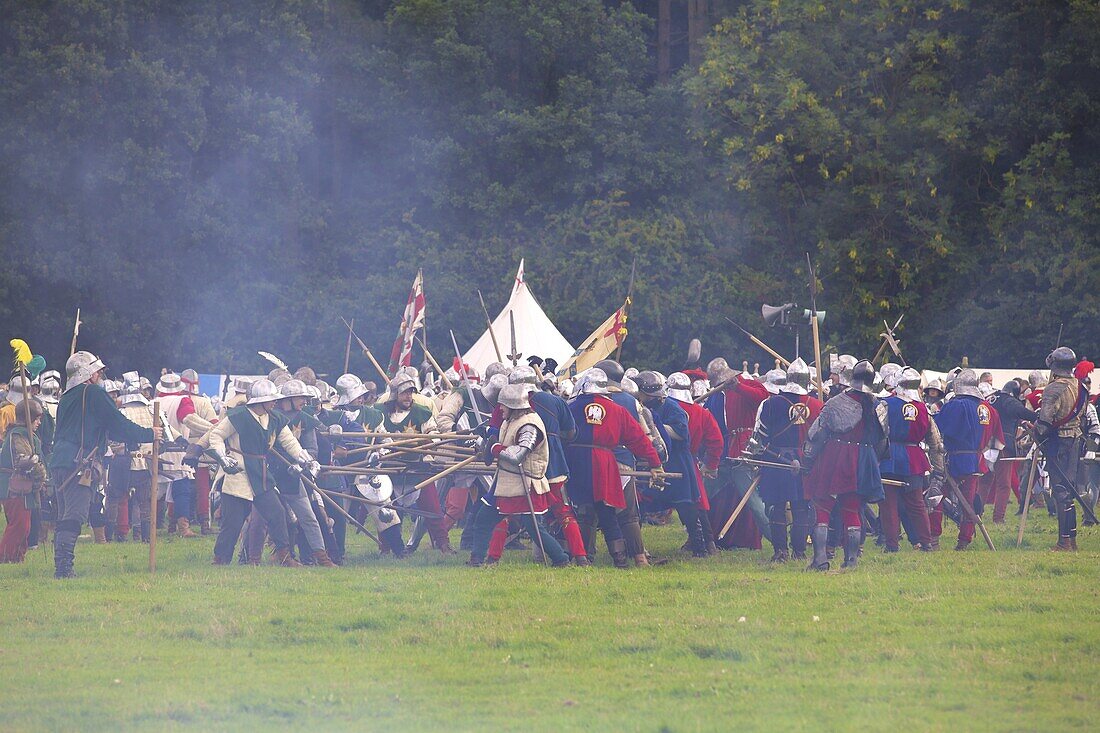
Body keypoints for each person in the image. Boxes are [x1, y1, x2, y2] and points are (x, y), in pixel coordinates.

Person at [48, 351, 160, 578]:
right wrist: (150, 433)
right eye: (96, 371)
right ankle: (63, 569)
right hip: (78, 462)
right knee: (74, 515)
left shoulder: (67, 396)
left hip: (60, 460)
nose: (100, 375)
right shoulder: (93, 393)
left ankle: (61, 565)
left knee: (63, 516)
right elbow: (117, 424)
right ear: (87, 374)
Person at [564, 368, 663, 568]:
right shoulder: (617, 410)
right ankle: (619, 559)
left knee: (583, 510)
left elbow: (561, 434)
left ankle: (582, 558)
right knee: (607, 510)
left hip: (578, 460)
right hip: (605, 462)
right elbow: (638, 439)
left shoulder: (571, 407)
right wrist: (655, 463)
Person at [208, 378, 312, 567]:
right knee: (232, 522)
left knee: (277, 513)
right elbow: (216, 435)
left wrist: (305, 458)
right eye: (271, 399)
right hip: (237, 473)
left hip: (261, 475)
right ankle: (220, 560)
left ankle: (284, 556)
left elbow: (289, 442)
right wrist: (223, 457)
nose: (275, 402)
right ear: (260, 400)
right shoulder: (238, 416)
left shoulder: (275, 418)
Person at [467, 384, 571, 567]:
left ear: (514, 405)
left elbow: (518, 455)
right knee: (483, 518)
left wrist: (494, 448)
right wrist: (484, 444)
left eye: (503, 405)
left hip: (525, 483)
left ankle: (561, 559)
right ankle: (476, 560)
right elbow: (498, 446)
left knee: (534, 529)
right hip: (506, 481)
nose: (499, 409)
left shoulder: (530, 424)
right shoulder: (509, 421)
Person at [803, 360, 888, 570]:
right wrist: (871, 462)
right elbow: (882, 443)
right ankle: (850, 562)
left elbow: (817, 435)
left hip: (836, 455)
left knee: (822, 505)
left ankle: (820, 559)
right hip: (864, 458)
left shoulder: (836, 402)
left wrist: (808, 459)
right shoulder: (880, 406)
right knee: (852, 508)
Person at [746, 359, 823, 562]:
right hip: (806, 461)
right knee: (801, 507)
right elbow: (823, 439)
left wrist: (757, 460)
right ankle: (799, 552)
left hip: (777, 459)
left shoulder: (770, 404)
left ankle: (781, 552)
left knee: (777, 507)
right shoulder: (817, 405)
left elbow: (759, 436)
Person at [933, 369, 1005, 551]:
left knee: (936, 496)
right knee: (969, 501)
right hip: (977, 460)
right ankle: (964, 540)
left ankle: (933, 538)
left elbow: (938, 428)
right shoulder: (989, 409)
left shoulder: (956, 405)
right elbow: (997, 441)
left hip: (955, 460)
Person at [704, 360, 770, 551]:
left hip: (744, 452)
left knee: (754, 503)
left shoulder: (747, 383)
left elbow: (763, 397)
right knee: (703, 495)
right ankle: (698, 538)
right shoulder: (717, 395)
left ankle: (780, 544)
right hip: (726, 453)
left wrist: (739, 387)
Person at [878, 367, 942, 552]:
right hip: (914, 458)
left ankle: (892, 545)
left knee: (888, 504)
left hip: (889, 456)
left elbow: (877, 432)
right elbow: (935, 440)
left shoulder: (885, 404)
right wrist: (938, 468)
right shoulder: (923, 408)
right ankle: (926, 542)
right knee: (916, 504)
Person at [1033, 347, 1089, 551]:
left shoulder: (1054, 389)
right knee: (1068, 491)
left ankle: (1064, 542)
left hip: (1059, 442)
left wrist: (1033, 428)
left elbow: (1045, 423)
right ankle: (1070, 540)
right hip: (1075, 441)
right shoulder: (1081, 386)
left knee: (1060, 491)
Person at [1, 398, 46, 562]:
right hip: (15, 486)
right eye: (37, 418)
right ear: (28, 418)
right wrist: (40, 476)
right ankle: (5, 557)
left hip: (21, 486)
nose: (39, 422)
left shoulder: (24, 434)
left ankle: (17, 557)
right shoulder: (18, 435)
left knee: (24, 526)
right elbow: (25, 460)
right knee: (19, 526)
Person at [986, 380, 1037, 523]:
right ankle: (998, 518)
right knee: (1004, 484)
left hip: (986, 444)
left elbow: (1007, 416)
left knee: (985, 480)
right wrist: (1038, 417)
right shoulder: (1009, 401)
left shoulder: (992, 399)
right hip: (1002, 445)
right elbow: (1019, 411)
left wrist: (1022, 422)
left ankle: (975, 514)